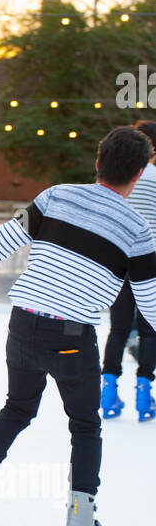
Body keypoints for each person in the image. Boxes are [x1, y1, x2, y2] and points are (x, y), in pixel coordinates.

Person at [0, 125, 156, 526]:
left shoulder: (56, 197)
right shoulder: (138, 230)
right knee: (85, 426)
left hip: (24, 323)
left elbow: (1, 241)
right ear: (138, 175)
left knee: (17, 408)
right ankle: (80, 525)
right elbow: (149, 303)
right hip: (73, 338)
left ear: (97, 161)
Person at [100, 119, 156, 420]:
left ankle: (108, 389)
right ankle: (145, 394)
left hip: (120, 260)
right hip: (152, 260)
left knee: (119, 328)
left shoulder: (119, 177)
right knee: (150, 330)